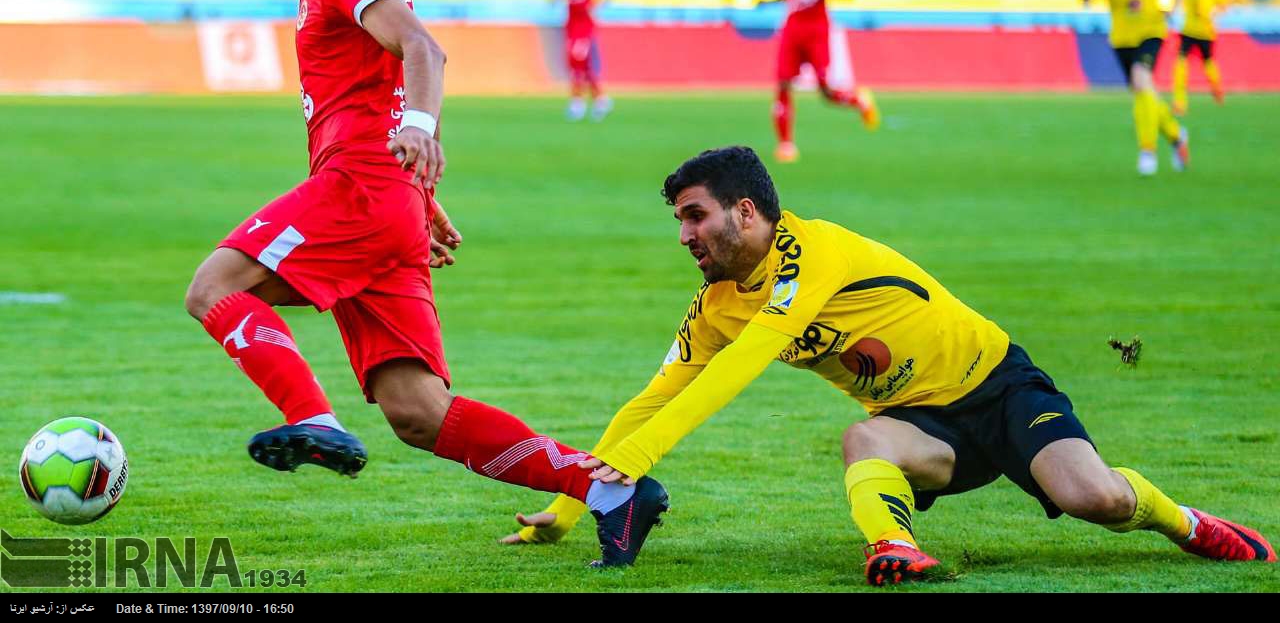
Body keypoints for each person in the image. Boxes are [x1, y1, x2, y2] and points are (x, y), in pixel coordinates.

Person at [183, 0, 664, 566]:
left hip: (358, 189)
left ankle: (312, 417)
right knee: (418, 412)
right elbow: (385, 81)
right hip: (387, 199)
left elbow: (422, 50)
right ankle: (611, 492)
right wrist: (421, 193)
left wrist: (418, 133)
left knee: (215, 286)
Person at [501, 146, 1275, 582]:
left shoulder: (813, 251)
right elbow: (651, 398)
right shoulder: (715, 306)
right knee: (861, 438)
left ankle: (1190, 522)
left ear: (746, 212)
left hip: (999, 386)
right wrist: (572, 499)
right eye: (678, 220)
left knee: (1094, 498)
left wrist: (631, 465)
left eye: (694, 215)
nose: (684, 235)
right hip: (920, 426)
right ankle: (893, 546)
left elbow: (746, 365)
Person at [1083, 0, 1189, 176]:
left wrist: (1173, 9)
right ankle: (1177, 137)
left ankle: (1147, 151)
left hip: (1151, 29)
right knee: (1145, 92)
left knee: (1142, 80)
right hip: (1121, 36)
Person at [772, 0, 878, 163]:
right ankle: (786, 144)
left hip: (816, 30)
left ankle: (859, 100)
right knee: (783, 83)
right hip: (792, 29)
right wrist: (770, 0)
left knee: (825, 90)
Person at [556, 0, 611, 122]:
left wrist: (602, 0)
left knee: (582, 60)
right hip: (571, 21)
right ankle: (598, 99)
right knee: (576, 62)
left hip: (585, 21)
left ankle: (579, 102)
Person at [1172, 0, 1229, 115]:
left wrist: (1211, 14)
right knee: (1180, 64)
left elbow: (1223, 5)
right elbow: (1179, 2)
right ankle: (1179, 101)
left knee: (1208, 62)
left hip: (1205, 31)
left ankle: (1216, 88)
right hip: (1188, 30)